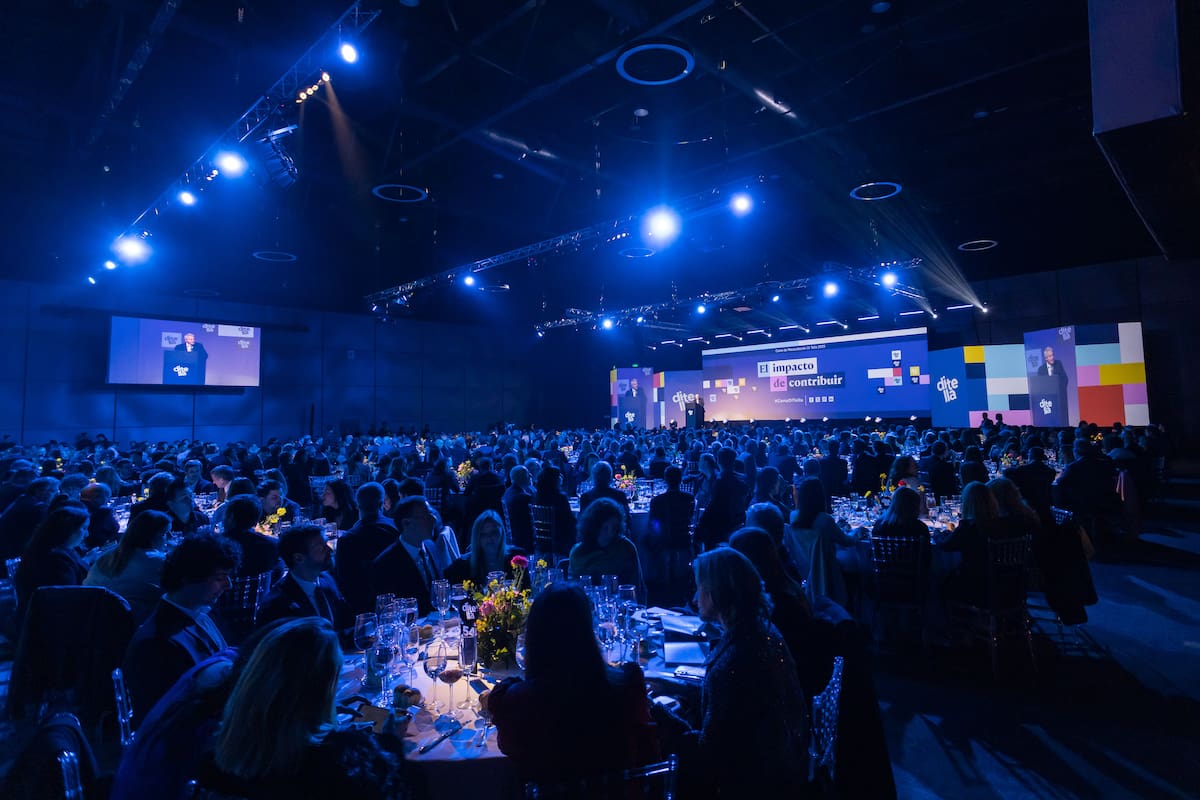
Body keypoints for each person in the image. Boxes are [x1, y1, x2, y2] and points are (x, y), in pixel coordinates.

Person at [195, 619, 416, 800]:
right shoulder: (338, 762)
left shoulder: (215, 758)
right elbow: (397, 793)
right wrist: (390, 743)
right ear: (320, 686)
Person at [652, 547, 810, 797]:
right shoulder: (763, 631)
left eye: (699, 588)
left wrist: (655, 711)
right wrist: (669, 685)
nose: (694, 598)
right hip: (787, 768)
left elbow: (707, 755)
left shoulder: (735, 660)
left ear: (716, 593)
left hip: (749, 786)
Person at [488, 583, 658, 783]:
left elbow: (508, 747)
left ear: (535, 635)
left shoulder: (520, 700)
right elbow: (647, 748)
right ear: (588, 630)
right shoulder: (627, 684)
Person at [123, 533, 241, 721]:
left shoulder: (204, 611)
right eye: (220, 578)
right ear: (188, 578)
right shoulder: (158, 643)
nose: (229, 585)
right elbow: (168, 718)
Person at [256, 525, 354, 647]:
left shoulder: (327, 581)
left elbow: (344, 626)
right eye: (321, 548)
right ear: (299, 558)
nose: (330, 551)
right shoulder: (278, 605)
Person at [84, 509, 169, 624]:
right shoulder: (157, 561)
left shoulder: (107, 556)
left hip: (92, 621)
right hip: (131, 627)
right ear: (151, 536)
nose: (169, 538)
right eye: (165, 533)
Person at [784, 477, 857, 608]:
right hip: (827, 568)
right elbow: (847, 541)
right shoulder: (824, 520)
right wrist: (858, 533)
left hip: (805, 567)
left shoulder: (793, 516)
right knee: (854, 564)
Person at [334, 482, 399, 614]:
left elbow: (343, 584)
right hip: (397, 601)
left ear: (358, 505)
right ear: (382, 504)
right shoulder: (397, 529)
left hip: (362, 610)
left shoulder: (347, 540)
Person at [14, 504, 90, 615]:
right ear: (68, 529)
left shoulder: (46, 548)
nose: (86, 534)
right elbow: (68, 597)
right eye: (83, 528)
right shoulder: (57, 559)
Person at [370, 496, 440, 615]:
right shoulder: (386, 564)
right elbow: (387, 613)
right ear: (406, 523)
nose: (433, 519)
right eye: (426, 516)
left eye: (432, 514)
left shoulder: (431, 547)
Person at [937, 482, 1002, 605]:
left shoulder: (969, 527)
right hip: (1003, 581)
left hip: (972, 583)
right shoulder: (1001, 524)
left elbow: (946, 546)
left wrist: (939, 534)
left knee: (939, 578)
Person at [568, 497, 645, 600]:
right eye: (605, 528)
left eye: (614, 528)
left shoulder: (625, 548)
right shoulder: (578, 553)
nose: (610, 533)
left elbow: (638, 589)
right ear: (593, 527)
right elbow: (574, 593)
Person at [647, 465, 695, 600]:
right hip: (683, 538)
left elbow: (653, 524)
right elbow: (691, 518)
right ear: (680, 480)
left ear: (665, 480)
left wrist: (654, 540)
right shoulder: (689, 498)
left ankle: (659, 587)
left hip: (664, 541)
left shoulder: (657, 501)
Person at [443, 510, 523, 587]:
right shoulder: (462, 566)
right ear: (476, 538)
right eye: (483, 535)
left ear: (502, 533)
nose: (489, 538)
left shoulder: (517, 558)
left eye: (494, 532)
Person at [695, 447, 749, 551]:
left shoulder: (720, 480)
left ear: (718, 460)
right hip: (738, 523)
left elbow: (714, 506)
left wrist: (700, 524)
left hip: (721, 528)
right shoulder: (743, 478)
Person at [220, 495, 282, 578]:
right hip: (260, 590)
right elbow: (277, 575)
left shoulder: (214, 546)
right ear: (256, 521)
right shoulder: (272, 546)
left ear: (230, 516)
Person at [531, 466, 577, 558]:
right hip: (559, 539)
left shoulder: (536, 497)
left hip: (541, 540)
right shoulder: (560, 498)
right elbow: (569, 521)